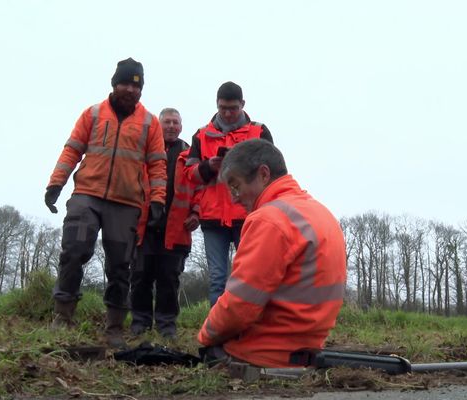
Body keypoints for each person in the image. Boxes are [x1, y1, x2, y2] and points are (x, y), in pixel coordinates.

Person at [44, 58, 167, 348]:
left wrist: (158, 200)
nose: (130, 90)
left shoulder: (151, 122)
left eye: (136, 86)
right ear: (114, 84)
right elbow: (72, 149)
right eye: (125, 83)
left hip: (126, 203)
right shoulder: (93, 113)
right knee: (74, 249)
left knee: (121, 265)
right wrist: (56, 183)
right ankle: (63, 317)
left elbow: (158, 166)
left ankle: (114, 326)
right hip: (87, 194)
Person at [197, 139, 347, 367]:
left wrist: (205, 337)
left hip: (265, 353)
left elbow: (239, 306)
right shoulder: (320, 212)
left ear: (263, 174)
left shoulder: (269, 219)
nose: (233, 198)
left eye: (235, 186)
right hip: (308, 350)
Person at [184, 81, 273, 306]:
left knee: (251, 277)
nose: (227, 113)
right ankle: (217, 333)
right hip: (213, 218)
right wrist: (207, 167)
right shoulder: (201, 135)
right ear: (217, 104)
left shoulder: (259, 131)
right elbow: (189, 174)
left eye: (233, 108)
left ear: (242, 104)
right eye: (223, 107)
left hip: (248, 216)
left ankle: (250, 330)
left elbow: (272, 170)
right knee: (217, 279)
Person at [130, 108, 199, 339]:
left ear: (181, 126)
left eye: (175, 122)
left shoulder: (190, 155)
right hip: (144, 226)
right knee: (140, 275)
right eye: (166, 122)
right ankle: (140, 322)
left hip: (177, 228)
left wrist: (197, 212)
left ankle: (166, 324)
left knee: (169, 278)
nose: (171, 126)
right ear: (158, 125)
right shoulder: (144, 150)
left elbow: (201, 189)